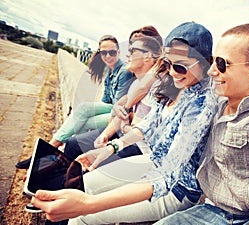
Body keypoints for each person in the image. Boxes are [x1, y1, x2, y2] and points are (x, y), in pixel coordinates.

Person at [31, 21, 218, 224]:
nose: (172, 72)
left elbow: (167, 175)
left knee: (81, 216)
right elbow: (147, 125)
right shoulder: (175, 84)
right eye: (167, 63)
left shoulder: (203, 105)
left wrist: (89, 205)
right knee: (84, 183)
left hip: (174, 189)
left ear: (206, 63)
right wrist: (111, 147)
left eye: (180, 66)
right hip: (152, 162)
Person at [153, 23, 249, 225]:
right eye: (213, 61)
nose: (212, 71)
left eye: (222, 63)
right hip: (210, 211)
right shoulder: (214, 103)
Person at [16, 34, 135, 169]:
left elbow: (117, 105)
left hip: (120, 116)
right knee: (82, 115)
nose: (108, 56)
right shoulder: (110, 70)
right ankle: (58, 155)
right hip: (111, 110)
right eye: (104, 52)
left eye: (112, 52)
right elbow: (105, 100)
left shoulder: (124, 71)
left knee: (83, 114)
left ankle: (49, 152)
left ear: (118, 52)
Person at [62, 25, 164, 163]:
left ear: (149, 55)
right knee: (73, 143)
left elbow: (139, 129)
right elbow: (120, 106)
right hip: (121, 132)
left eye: (133, 49)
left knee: (90, 159)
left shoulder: (155, 85)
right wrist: (106, 133)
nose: (127, 54)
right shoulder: (136, 82)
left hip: (138, 145)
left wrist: (121, 124)